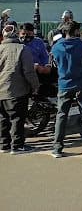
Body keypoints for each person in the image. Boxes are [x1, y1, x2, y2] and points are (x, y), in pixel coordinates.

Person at [50, 21, 82, 158]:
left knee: (61, 115)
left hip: (64, 84)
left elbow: (53, 63)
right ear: (76, 31)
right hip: (81, 83)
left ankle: (57, 148)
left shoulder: (56, 47)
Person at [0, 23, 39, 154]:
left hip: (1, 90)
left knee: (2, 118)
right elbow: (29, 71)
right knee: (17, 118)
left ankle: (4, 144)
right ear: (16, 34)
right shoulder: (22, 49)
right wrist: (35, 86)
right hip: (17, 89)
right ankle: (17, 145)